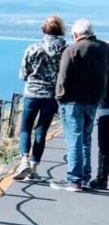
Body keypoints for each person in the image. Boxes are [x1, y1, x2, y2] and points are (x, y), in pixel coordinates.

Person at [54, 18, 109, 192]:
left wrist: (60, 97)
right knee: (86, 139)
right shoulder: (104, 49)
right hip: (94, 101)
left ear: (76, 34)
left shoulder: (72, 49)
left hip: (72, 101)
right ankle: (85, 177)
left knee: (74, 139)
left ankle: (73, 179)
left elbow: (63, 78)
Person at [13, 16, 66, 180]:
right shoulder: (65, 50)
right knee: (41, 131)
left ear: (44, 30)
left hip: (32, 93)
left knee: (25, 128)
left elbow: (23, 74)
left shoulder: (33, 48)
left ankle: (24, 160)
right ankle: (34, 168)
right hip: (51, 96)